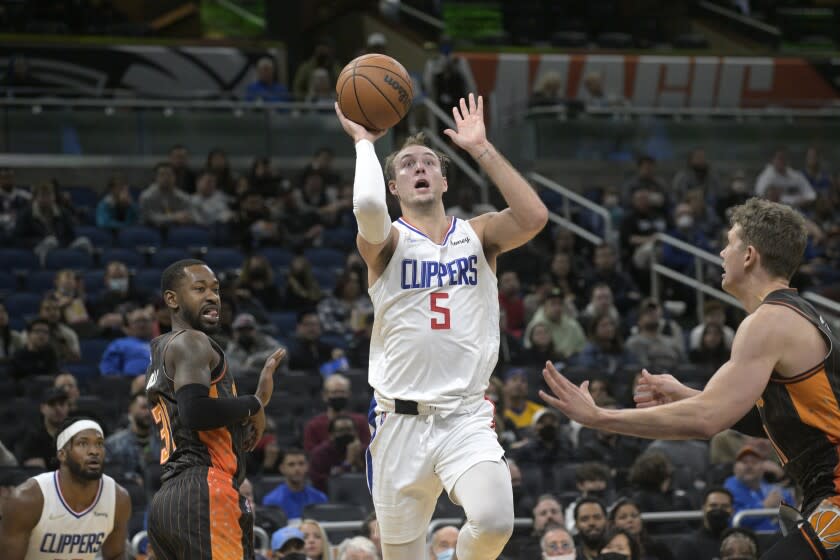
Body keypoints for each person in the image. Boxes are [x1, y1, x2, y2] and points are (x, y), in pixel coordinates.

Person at [541, 198, 840, 559]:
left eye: (729, 243)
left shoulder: (768, 322)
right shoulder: (795, 314)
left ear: (749, 255)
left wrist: (600, 417)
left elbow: (706, 420)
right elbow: (777, 419)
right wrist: (687, 394)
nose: (720, 253)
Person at [337, 92, 548, 560]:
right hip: (398, 422)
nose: (418, 168)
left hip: (464, 416)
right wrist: (364, 143)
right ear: (394, 187)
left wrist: (481, 148)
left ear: (444, 180)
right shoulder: (387, 243)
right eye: (407, 165)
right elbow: (367, 207)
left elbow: (534, 217)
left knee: (494, 524)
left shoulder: (480, 234)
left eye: (428, 162)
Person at [145, 259, 286, 559]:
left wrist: (253, 405)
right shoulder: (193, 341)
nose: (212, 297)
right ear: (172, 299)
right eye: (199, 289)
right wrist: (252, 404)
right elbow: (194, 412)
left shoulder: (160, 352)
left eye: (216, 289)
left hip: (169, 499)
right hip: (204, 490)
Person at [0, 417, 132, 559]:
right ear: (62, 454)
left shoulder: (118, 499)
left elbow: (115, 555)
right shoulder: (28, 499)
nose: (94, 451)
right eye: (83, 444)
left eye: (99, 444)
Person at [724, 444, 794, 532]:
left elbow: (793, 515)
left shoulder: (771, 488)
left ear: (763, 467)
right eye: (744, 462)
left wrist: (781, 476)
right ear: (735, 467)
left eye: (754, 462)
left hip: (777, 539)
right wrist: (765, 506)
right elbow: (732, 519)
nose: (749, 466)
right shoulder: (728, 489)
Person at [303, 374, 371, 453]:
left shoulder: (361, 421)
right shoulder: (314, 425)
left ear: (349, 394)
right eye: (334, 392)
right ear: (325, 395)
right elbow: (310, 454)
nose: (339, 395)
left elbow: (369, 449)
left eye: (342, 392)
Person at [261, 449, 327, 522]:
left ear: (307, 466)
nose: (297, 469)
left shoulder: (320, 498)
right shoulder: (271, 500)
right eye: (291, 464)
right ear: (282, 468)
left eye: (301, 464)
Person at [672, 487, 734, 560]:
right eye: (713, 506)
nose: (719, 510)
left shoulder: (739, 545)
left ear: (732, 511)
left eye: (724, 506)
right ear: (703, 508)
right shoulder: (688, 545)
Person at [19, 387, 71, 469]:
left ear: (68, 407)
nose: (58, 408)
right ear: (42, 408)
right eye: (52, 404)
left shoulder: (75, 435)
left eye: (62, 404)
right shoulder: (33, 438)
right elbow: (36, 474)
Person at [98, 306, 154, 376]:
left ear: (152, 324)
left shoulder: (161, 343)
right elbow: (108, 369)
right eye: (137, 321)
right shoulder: (119, 344)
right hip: (131, 381)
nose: (141, 325)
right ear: (129, 326)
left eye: (145, 321)